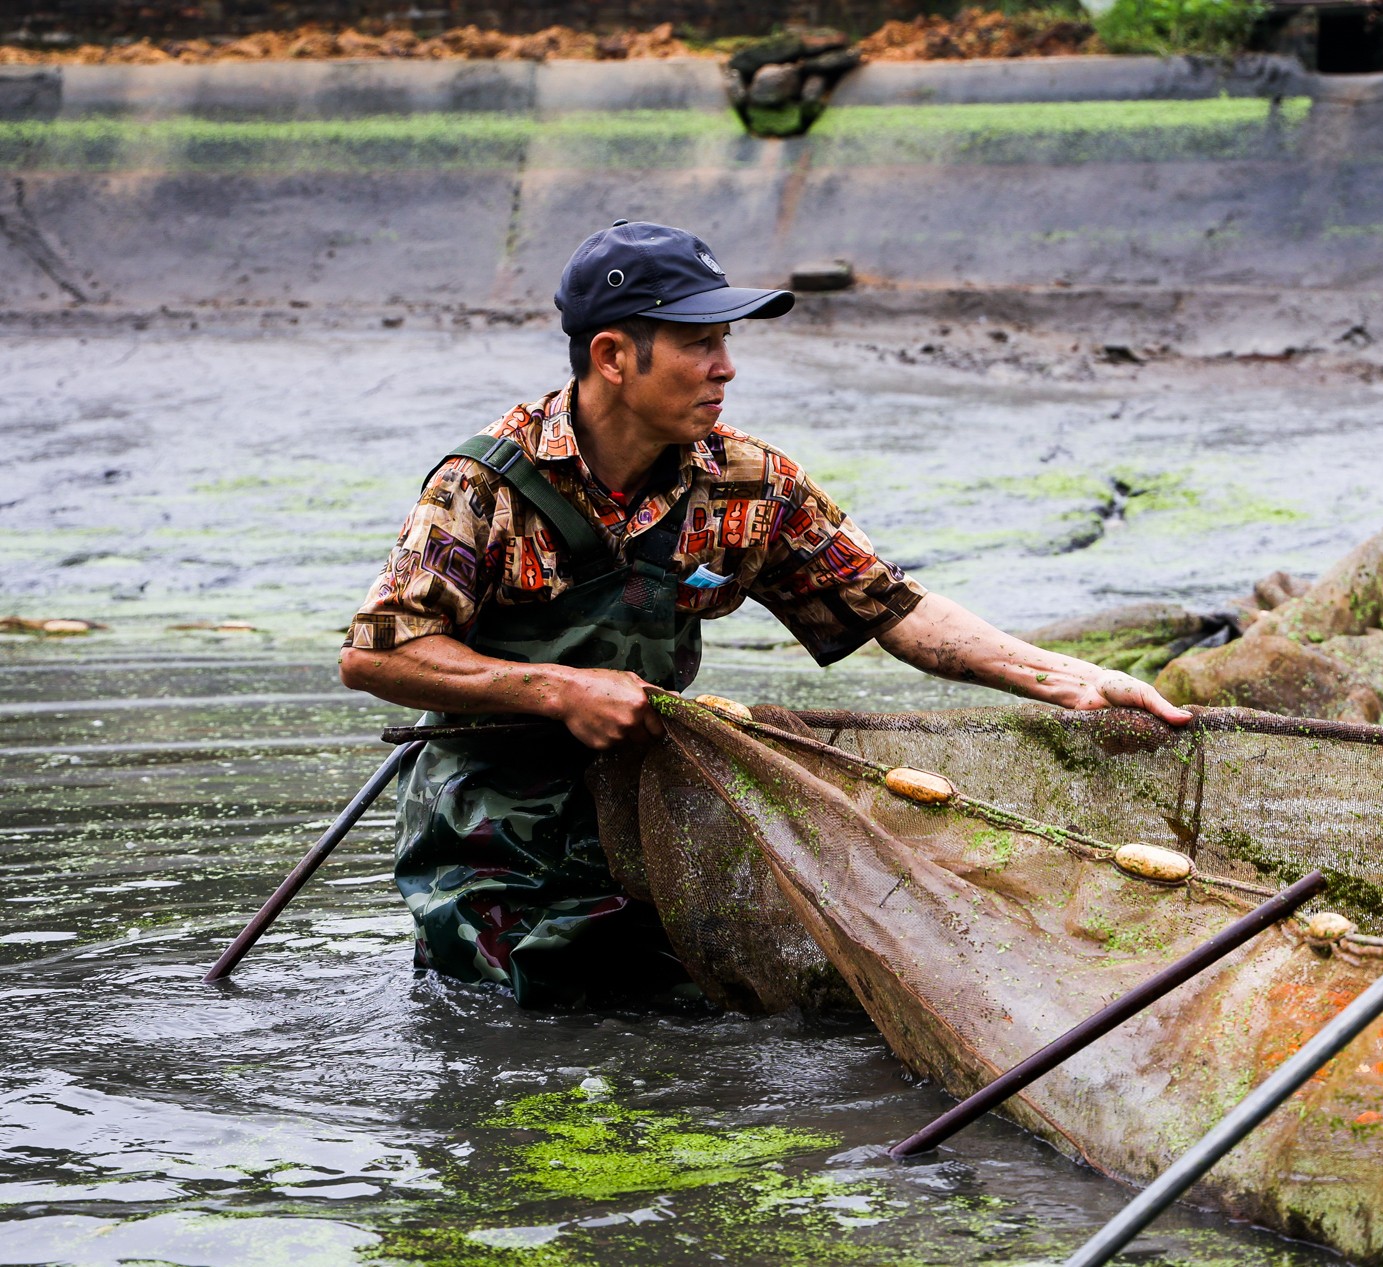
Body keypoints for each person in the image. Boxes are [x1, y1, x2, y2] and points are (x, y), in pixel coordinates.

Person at [340, 221, 1190, 1007]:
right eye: (698, 342)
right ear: (611, 355)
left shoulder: (749, 482)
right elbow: (379, 653)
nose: (726, 367)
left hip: (647, 811)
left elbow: (897, 610)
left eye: (727, 341)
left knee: (705, 1011)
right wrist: (562, 689)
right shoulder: (482, 484)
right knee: (527, 1020)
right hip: (490, 832)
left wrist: (1073, 682)